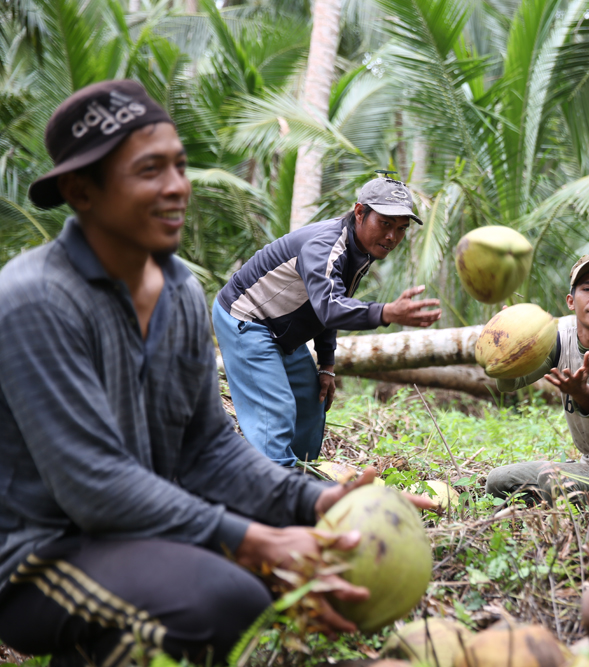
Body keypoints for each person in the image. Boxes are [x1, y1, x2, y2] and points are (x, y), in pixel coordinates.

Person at [0, 80, 432, 667]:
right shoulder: (34, 301)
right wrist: (258, 539)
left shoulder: (176, 289)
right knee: (226, 597)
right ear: (82, 190)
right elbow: (94, 484)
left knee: (239, 592)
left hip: (128, 534)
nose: (178, 186)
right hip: (38, 555)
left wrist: (315, 502)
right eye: (150, 169)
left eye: (179, 166)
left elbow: (206, 449)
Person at [214, 176, 441, 466]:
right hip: (246, 320)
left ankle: (302, 476)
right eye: (385, 224)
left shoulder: (360, 250)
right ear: (360, 213)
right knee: (276, 412)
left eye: (401, 229)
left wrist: (327, 366)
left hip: (282, 330)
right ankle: (272, 487)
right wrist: (386, 313)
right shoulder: (325, 246)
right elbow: (331, 309)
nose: (392, 237)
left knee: (311, 402)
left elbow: (332, 302)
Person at [485, 256, 589, 504]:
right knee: (497, 481)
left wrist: (583, 395)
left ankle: (557, 505)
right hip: (588, 467)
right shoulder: (558, 342)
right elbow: (509, 384)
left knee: (552, 480)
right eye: (587, 289)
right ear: (570, 301)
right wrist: (506, 348)